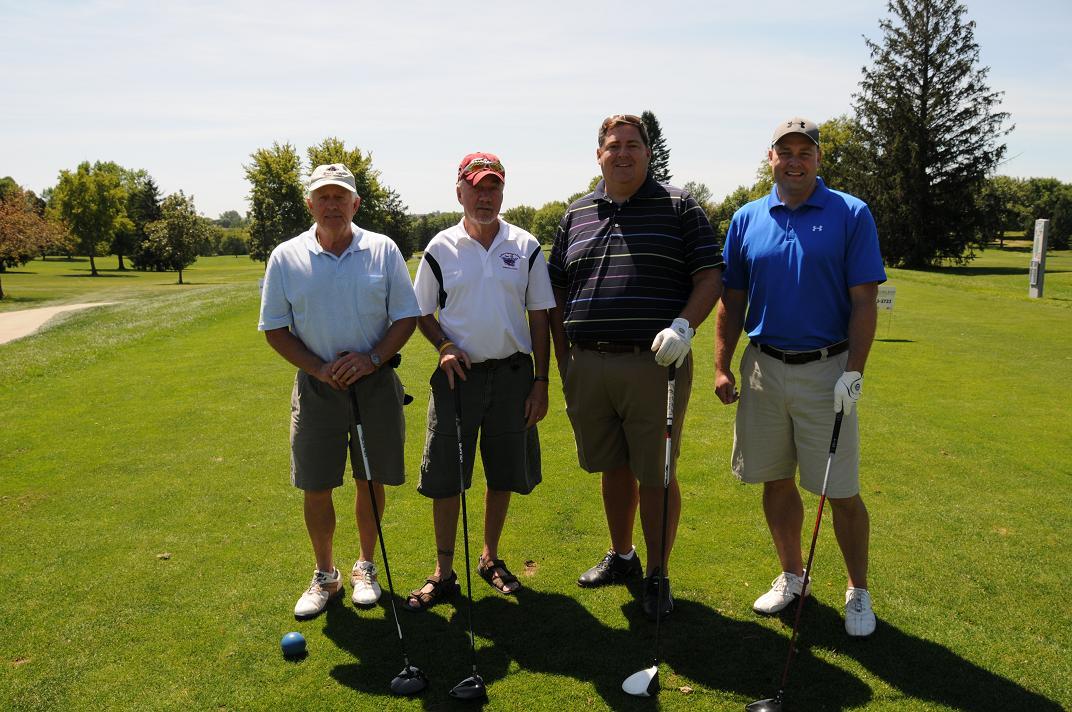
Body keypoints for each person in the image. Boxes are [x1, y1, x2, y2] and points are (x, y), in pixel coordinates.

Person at [714, 117, 887, 637]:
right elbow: (733, 300)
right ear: (770, 158)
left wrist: (854, 372)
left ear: (817, 158)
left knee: (841, 490)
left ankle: (858, 589)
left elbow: (864, 299)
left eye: (804, 151)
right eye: (784, 151)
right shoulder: (747, 218)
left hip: (827, 368)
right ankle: (793, 574)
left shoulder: (850, 213)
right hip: (764, 367)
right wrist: (722, 364)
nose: (794, 160)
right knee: (775, 478)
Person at [548, 114, 723, 620]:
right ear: (598, 154)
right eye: (612, 145)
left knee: (657, 474)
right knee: (612, 465)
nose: (622, 153)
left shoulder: (679, 205)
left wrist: (685, 327)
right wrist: (565, 354)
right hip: (589, 363)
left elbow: (709, 274)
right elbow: (557, 286)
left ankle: (656, 572)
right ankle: (623, 556)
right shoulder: (576, 212)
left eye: (633, 145)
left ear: (648, 153)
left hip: (655, 364)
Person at [258, 163, 419, 619]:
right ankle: (325, 574)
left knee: (370, 480)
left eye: (340, 196)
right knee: (316, 483)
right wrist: (320, 368)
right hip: (317, 388)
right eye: (323, 197)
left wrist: (370, 359)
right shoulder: (286, 256)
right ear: (310, 204)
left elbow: (406, 315)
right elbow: (274, 328)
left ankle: (365, 567)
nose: (332, 204)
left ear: (355, 204)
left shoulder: (382, 250)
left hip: (375, 384)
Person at [404, 152, 555, 609]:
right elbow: (419, 312)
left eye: (493, 187)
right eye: (476, 187)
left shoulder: (525, 245)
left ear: (503, 192)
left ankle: (489, 558)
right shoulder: (440, 247)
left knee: (503, 472)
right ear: (459, 192)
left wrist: (541, 381)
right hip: (458, 378)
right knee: (447, 477)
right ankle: (444, 572)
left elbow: (540, 317)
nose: (485, 196)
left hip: (512, 375)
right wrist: (444, 346)